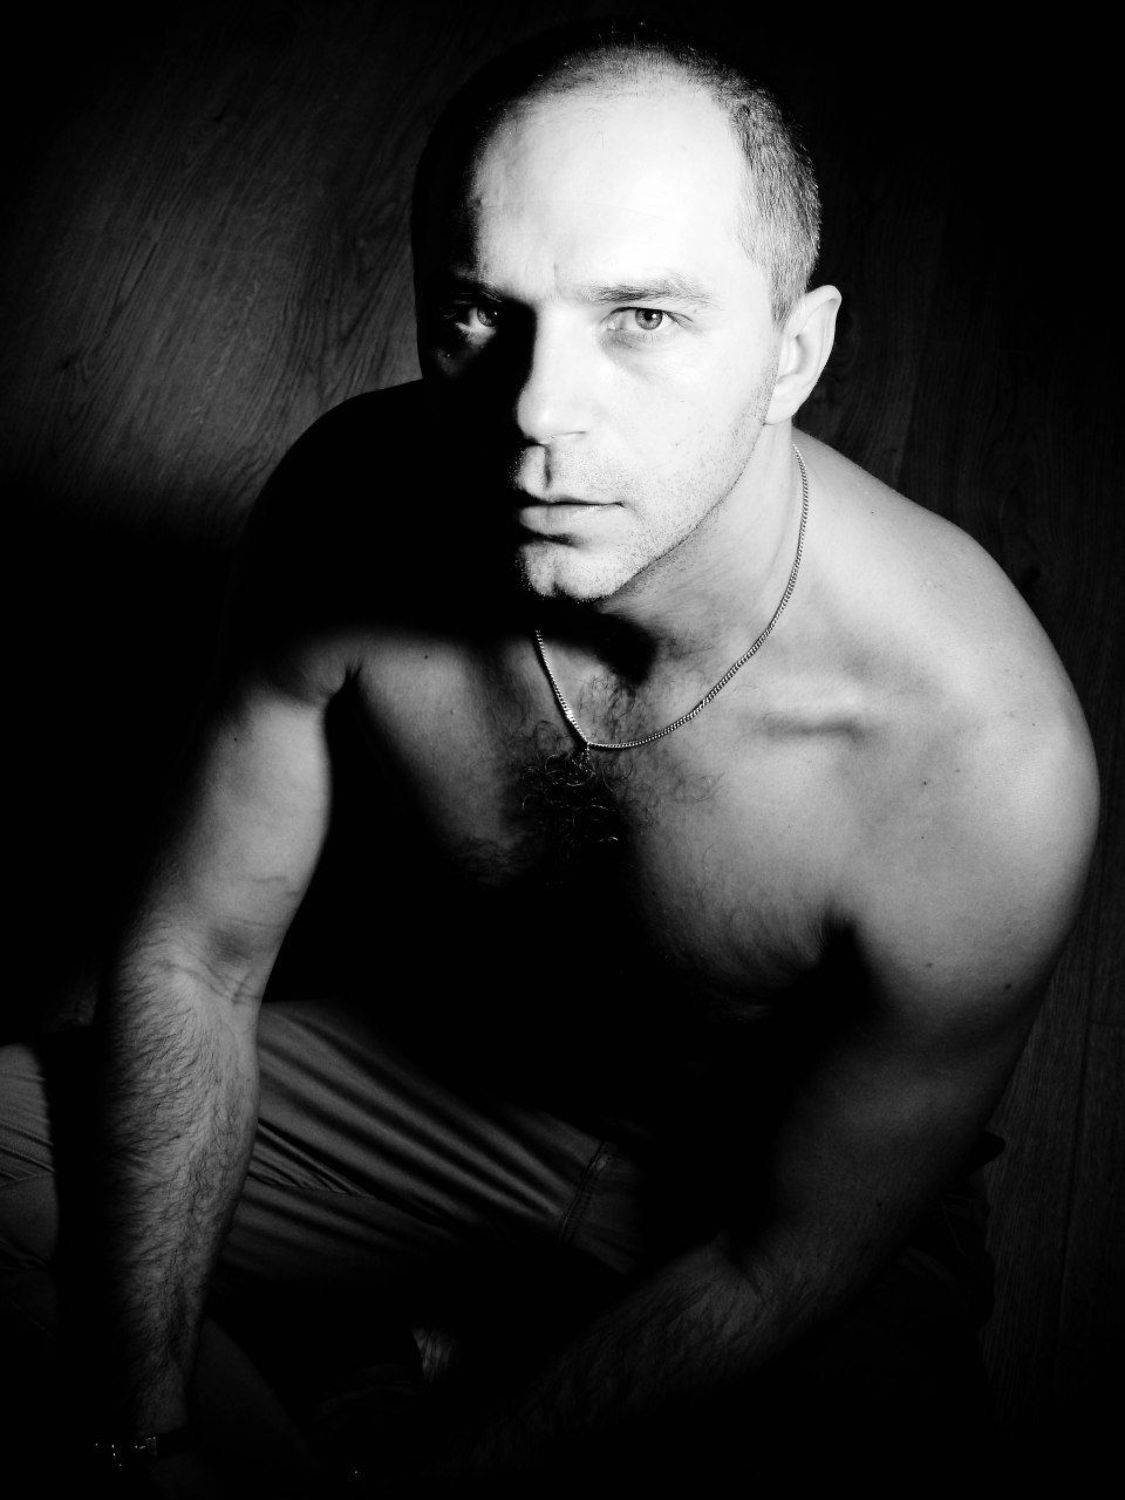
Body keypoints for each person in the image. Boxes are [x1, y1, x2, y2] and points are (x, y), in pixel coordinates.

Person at [0, 20, 1099, 1497]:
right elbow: (195, 957)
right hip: (445, 1079)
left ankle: (401, 1378)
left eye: (639, 317)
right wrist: (142, 1431)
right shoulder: (354, 506)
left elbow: (777, 1264)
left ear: (796, 353)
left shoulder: (976, 761)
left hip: (765, 1193)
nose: (535, 416)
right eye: (477, 313)